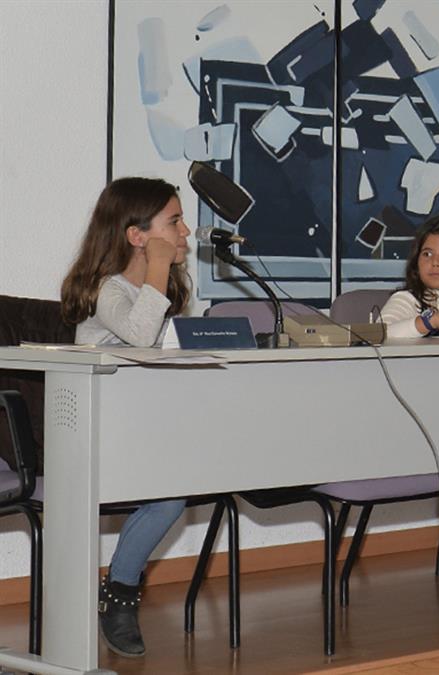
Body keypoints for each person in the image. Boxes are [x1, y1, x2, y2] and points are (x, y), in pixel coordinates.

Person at [59, 177, 192, 657]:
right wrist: (159, 266)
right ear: (137, 236)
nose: (185, 232)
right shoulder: (106, 291)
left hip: (142, 431)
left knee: (189, 477)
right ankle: (120, 593)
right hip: (96, 435)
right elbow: (139, 335)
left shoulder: (160, 292)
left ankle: (118, 586)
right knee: (169, 496)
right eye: (174, 222)